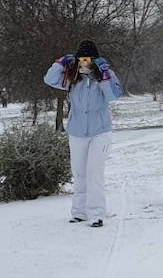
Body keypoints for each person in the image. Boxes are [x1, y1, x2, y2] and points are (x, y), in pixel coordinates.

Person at [44, 39, 124, 227]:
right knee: (79, 173)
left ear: (95, 59)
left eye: (88, 58)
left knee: (94, 172)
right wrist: (60, 63)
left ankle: (97, 213)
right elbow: (49, 79)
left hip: (100, 132)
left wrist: (103, 74)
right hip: (77, 131)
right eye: (81, 58)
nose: (84, 62)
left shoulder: (104, 75)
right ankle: (79, 212)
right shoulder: (72, 77)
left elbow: (114, 95)